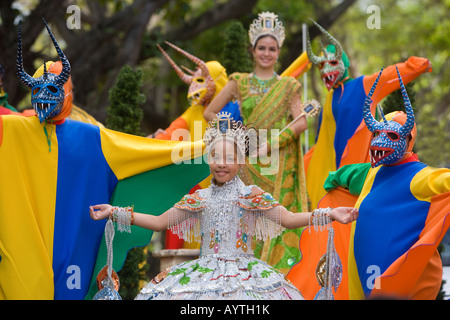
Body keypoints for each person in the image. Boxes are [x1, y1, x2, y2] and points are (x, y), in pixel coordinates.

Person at [0, 20, 206, 300]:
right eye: (39, 91)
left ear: (67, 92)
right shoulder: (15, 128)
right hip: (27, 246)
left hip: (77, 244)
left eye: (54, 91)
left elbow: (144, 153)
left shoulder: (92, 136)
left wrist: (207, 149)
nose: (45, 99)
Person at [90, 113, 358, 300]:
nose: (221, 163)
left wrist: (330, 213)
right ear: (208, 160)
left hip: (246, 277)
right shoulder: (200, 198)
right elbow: (160, 222)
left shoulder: (250, 195)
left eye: (229, 158)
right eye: (216, 156)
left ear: (241, 162)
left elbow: (287, 219)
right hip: (203, 274)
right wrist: (115, 212)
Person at [288, 68, 450, 300]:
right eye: (377, 133)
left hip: (396, 283)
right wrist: (332, 184)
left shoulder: (419, 177)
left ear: (409, 140)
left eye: (392, 136)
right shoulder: (371, 173)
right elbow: (342, 175)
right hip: (359, 278)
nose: (381, 141)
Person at [203, 12, 308, 274]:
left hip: (278, 164)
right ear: (253, 50)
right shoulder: (240, 81)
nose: (266, 53)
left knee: (277, 219)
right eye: (262, 48)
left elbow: (301, 122)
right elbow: (210, 113)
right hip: (247, 162)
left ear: (278, 51)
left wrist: (271, 143)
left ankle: (273, 283)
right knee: (247, 219)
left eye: (272, 49)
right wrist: (237, 136)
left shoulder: (288, 85)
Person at [303, 19, 432, 210]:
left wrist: (418, 66)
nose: (325, 70)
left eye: (331, 63)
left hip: (359, 162)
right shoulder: (330, 98)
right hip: (333, 166)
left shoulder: (362, 85)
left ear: (343, 64)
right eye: (320, 67)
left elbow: (390, 75)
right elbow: (322, 136)